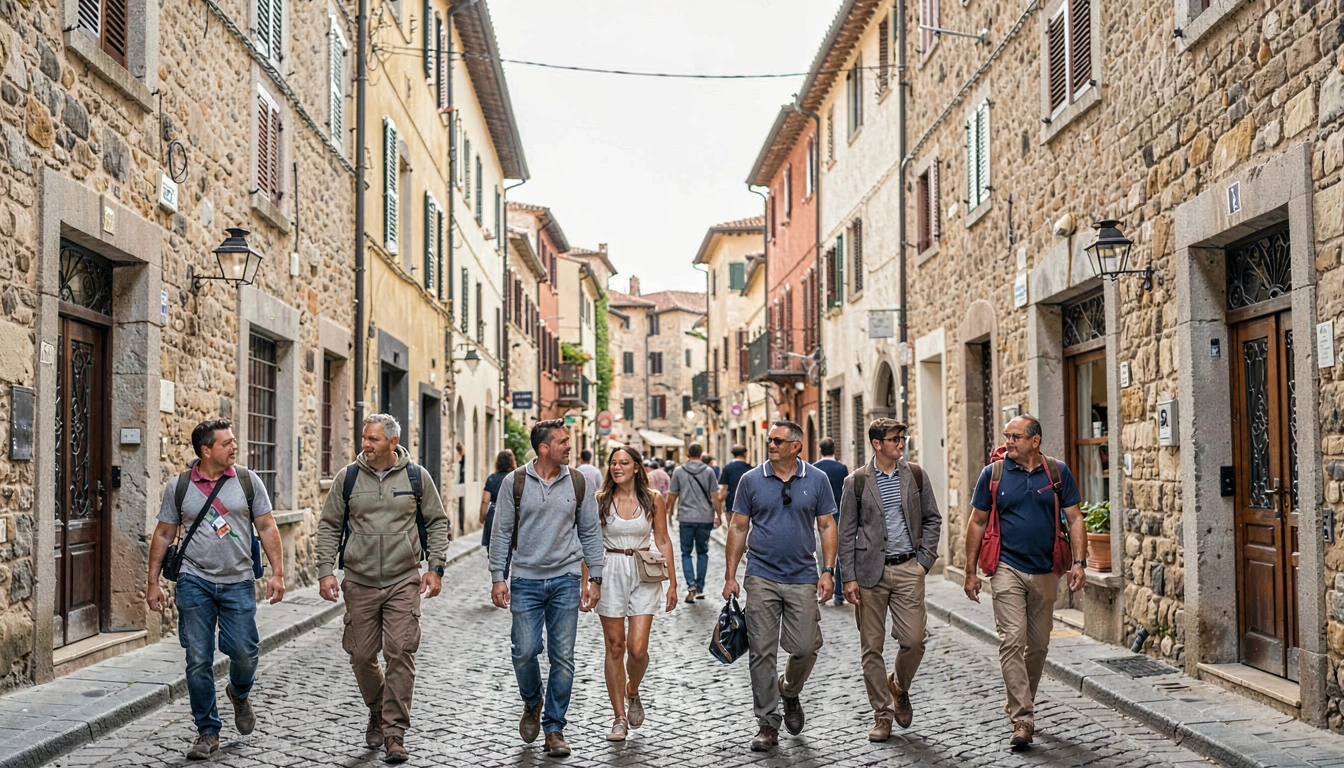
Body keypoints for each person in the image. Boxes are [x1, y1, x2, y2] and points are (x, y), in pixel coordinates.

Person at [315, 413, 451, 764]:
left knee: (400, 652)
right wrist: (325, 571)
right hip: (359, 581)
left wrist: (435, 568)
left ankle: (394, 732)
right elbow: (330, 524)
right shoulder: (347, 478)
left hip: (402, 579)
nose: (365, 444)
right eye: (364, 438)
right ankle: (376, 708)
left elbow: (436, 522)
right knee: (361, 655)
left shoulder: (416, 477)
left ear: (393, 442)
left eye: (373, 439)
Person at [146, 420, 285, 760]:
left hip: (238, 580)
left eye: (234, 441)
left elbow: (266, 526)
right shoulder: (179, 486)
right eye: (227, 443)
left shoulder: (248, 481)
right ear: (206, 451)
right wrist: (151, 583)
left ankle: (238, 692)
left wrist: (278, 573)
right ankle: (207, 731)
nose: (234, 447)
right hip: (194, 581)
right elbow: (164, 534)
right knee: (197, 660)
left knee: (244, 652)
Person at [964, 414, 1086, 748]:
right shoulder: (994, 473)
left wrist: (1079, 562)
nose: (1008, 442)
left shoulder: (1057, 472)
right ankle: (1023, 717)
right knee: (1011, 640)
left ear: (1035, 440)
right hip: (1007, 567)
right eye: (1007, 436)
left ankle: (1020, 699)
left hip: (1046, 568)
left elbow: (1074, 518)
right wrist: (970, 571)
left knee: (1040, 644)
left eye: (1015, 436)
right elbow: (976, 522)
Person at [490, 419, 605, 758]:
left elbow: (590, 532)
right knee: (523, 651)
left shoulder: (579, 483)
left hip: (566, 578)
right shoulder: (516, 482)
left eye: (568, 441)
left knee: (563, 657)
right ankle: (532, 701)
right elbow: (500, 531)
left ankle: (554, 727)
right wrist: (499, 575)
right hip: (525, 579)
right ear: (544, 448)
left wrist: (594, 577)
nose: (569, 446)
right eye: (562, 442)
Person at [723, 421, 838, 752]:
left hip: (803, 575)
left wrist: (828, 570)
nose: (770, 444)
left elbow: (828, 525)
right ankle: (767, 723)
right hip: (760, 575)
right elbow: (738, 527)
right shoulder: (750, 480)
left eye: (777, 440)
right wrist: (731, 576)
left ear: (796, 446)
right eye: (769, 439)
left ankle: (789, 690)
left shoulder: (816, 479)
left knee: (805, 647)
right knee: (762, 651)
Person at [838, 419, 942, 742]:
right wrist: (848, 578)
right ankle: (882, 716)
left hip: (909, 568)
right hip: (870, 573)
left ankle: (899, 685)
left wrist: (923, 562)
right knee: (872, 648)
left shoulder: (915, 475)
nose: (901, 443)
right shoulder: (855, 482)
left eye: (903, 437)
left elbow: (932, 519)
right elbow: (845, 532)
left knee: (914, 640)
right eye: (895, 439)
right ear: (877, 444)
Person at [591, 446, 678, 741]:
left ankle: (633, 689)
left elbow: (663, 539)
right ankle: (618, 717)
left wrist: (673, 584)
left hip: (643, 570)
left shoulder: (653, 500)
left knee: (637, 649)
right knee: (615, 647)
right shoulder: (600, 500)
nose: (617, 468)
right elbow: (589, 543)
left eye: (624, 463)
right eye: (613, 463)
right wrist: (587, 582)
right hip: (609, 569)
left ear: (636, 467)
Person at [667, 442, 720, 603]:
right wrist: (719, 514)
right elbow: (715, 496)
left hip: (686, 517)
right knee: (703, 552)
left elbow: (672, 495)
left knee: (686, 553)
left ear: (688, 454)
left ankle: (691, 585)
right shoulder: (709, 471)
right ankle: (701, 588)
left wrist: (669, 514)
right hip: (705, 518)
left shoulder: (679, 471)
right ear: (701, 453)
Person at [812, 438, 849, 606]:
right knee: (839, 554)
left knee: (822, 555)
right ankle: (839, 594)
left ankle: (823, 592)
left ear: (820, 449)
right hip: (838, 514)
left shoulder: (815, 468)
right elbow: (845, 490)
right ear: (835, 449)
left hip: (820, 516)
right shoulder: (841, 468)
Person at [481, 450, 517, 573]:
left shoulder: (492, 478)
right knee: (509, 549)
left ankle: (498, 576)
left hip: (494, 513)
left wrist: (482, 516)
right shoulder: (516, 477)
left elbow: (485, 500)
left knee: (493, 549)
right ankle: (506, 572)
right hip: (512, 514)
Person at [717, 445, 753, 515]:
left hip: (732, 504)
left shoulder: (728, 468)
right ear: (745, 454)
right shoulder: (750, 469)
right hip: (748, 505)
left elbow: (724, 488)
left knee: (732, 525)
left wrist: (720, 502)